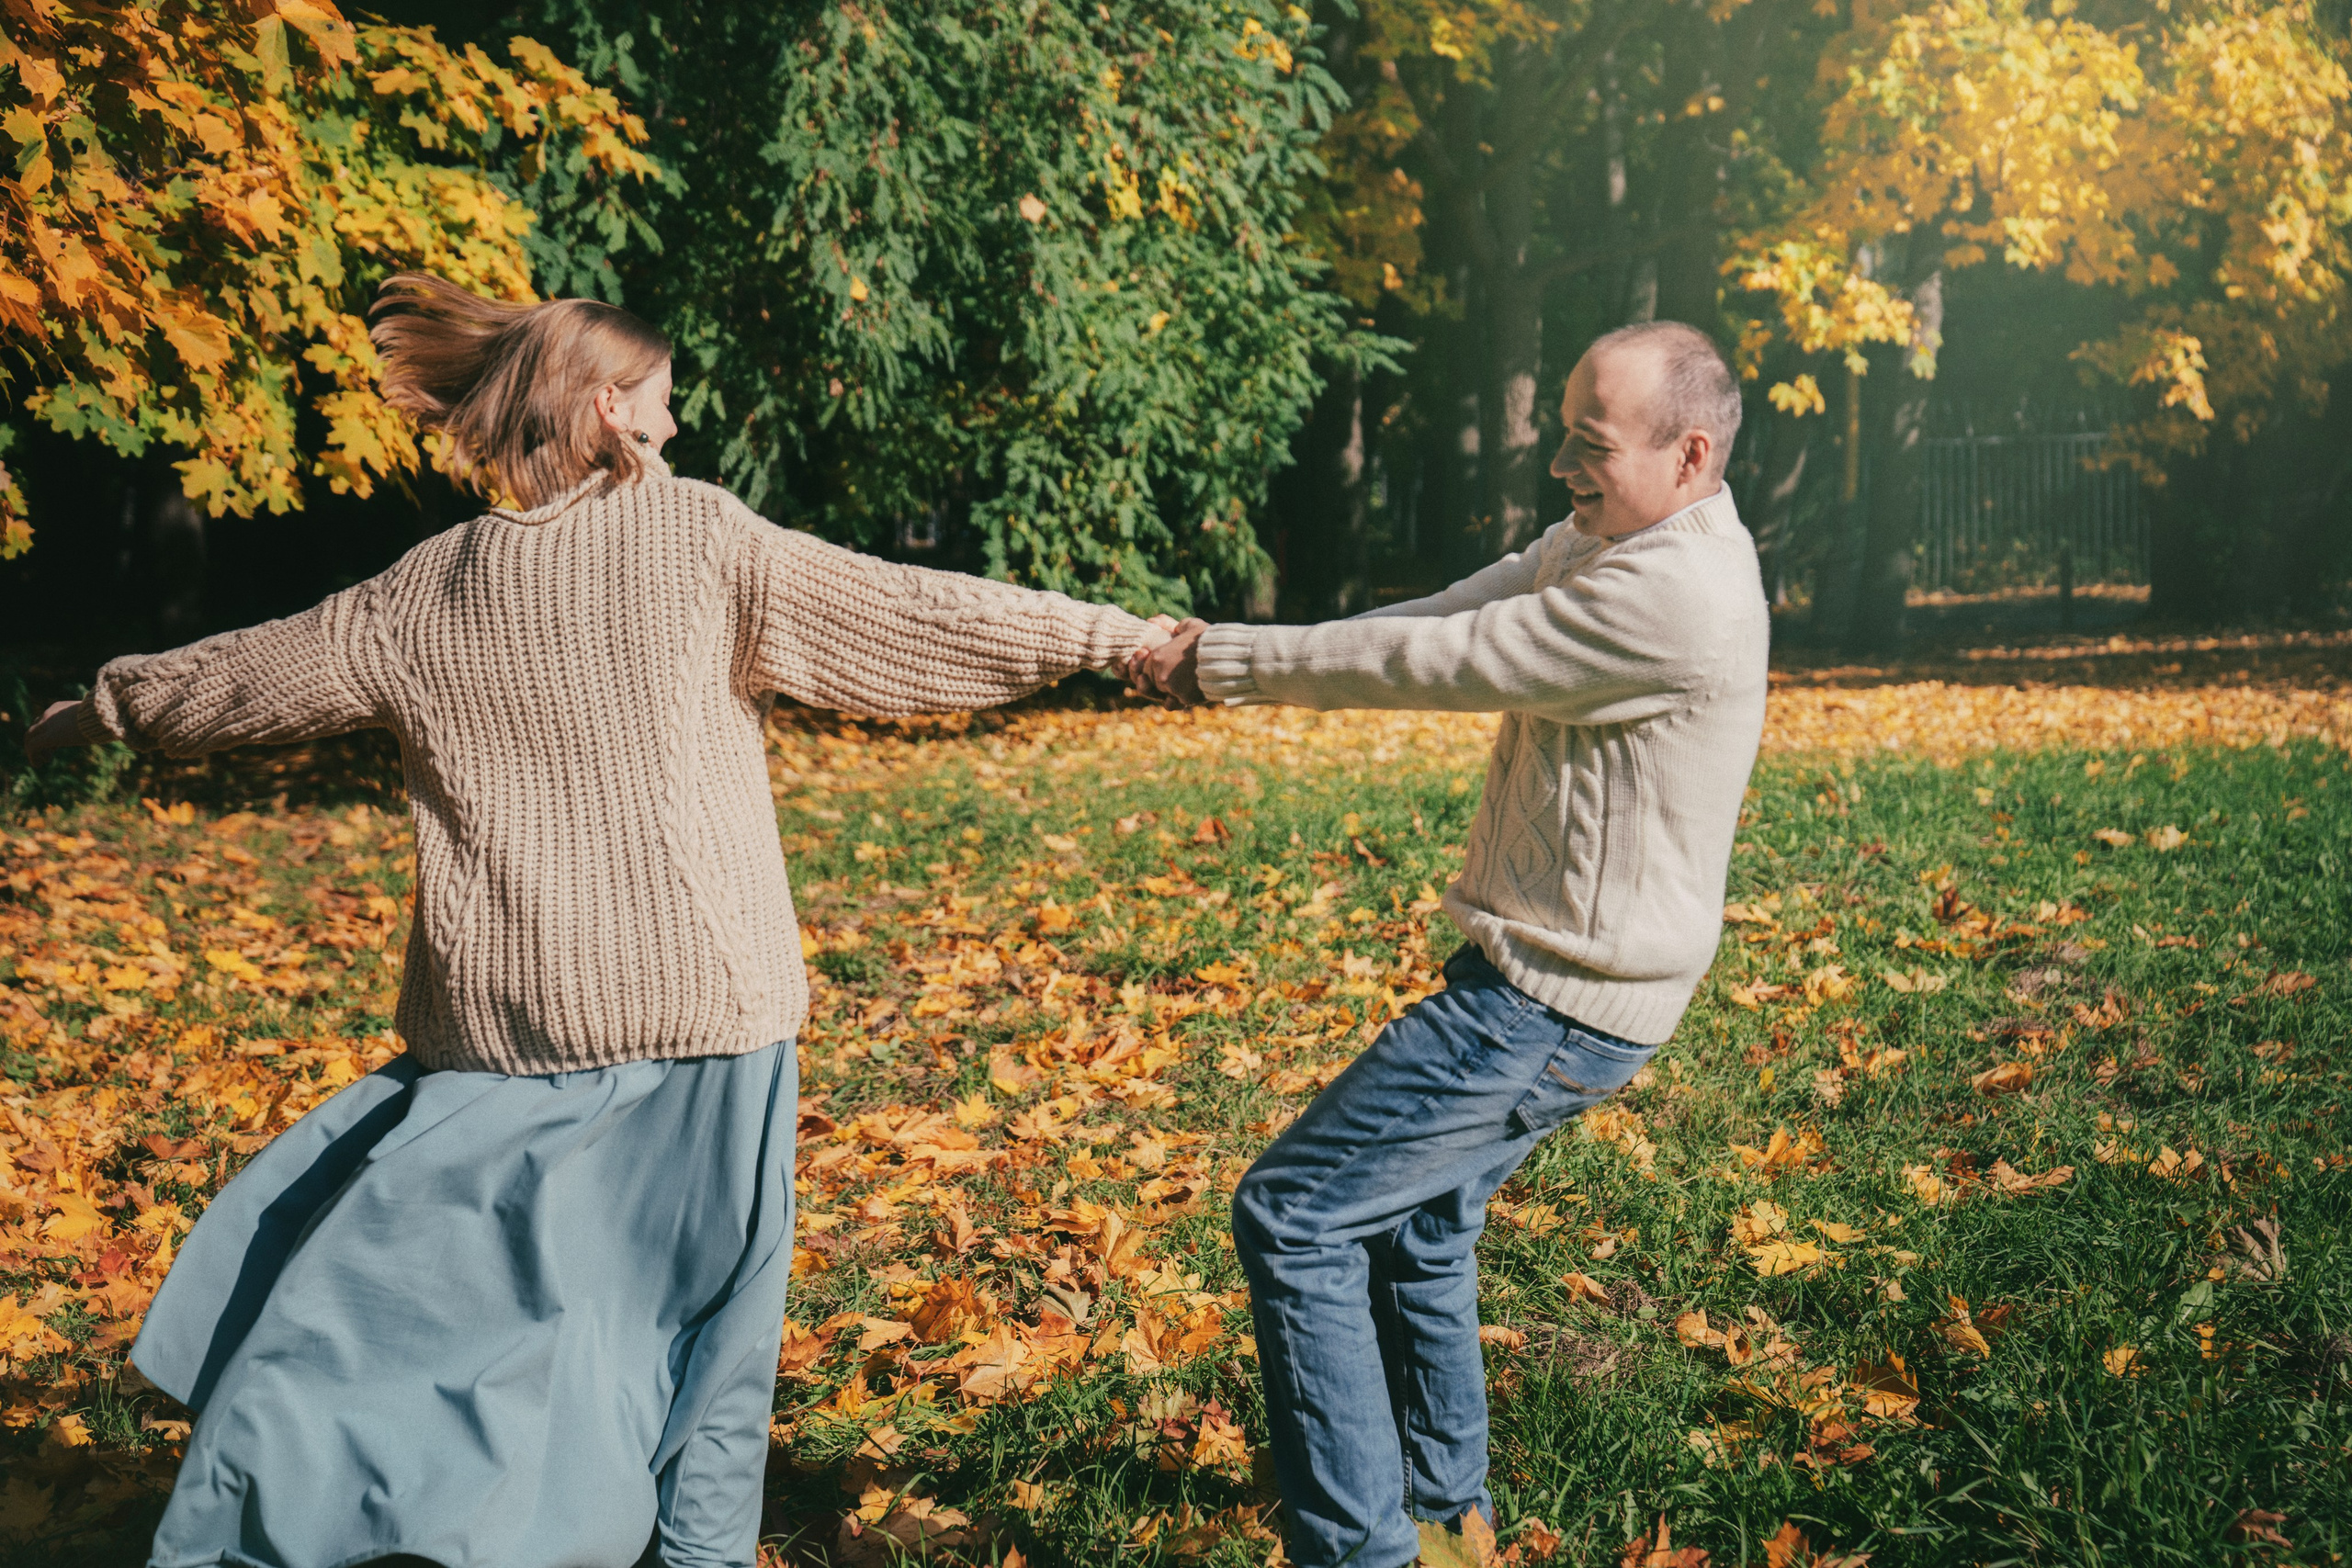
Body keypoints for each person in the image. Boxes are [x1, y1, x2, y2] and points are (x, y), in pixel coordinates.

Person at [22, 274, 1169, 1568]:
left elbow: (240, 678)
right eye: (663, 407)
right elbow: (903, 615)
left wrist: (103, 708)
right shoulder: (697, 540)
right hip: (708, 1025)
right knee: (711, 1345)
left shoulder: (421, 590)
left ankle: (299, 1513)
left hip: (506, 1038)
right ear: (610, 414)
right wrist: (1108, 638)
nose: (674, 434)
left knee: (420, 1322)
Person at [1130, 321, 1770, 1568]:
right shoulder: (1614, 537)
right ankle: (1444, 1521)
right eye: (1565, 434)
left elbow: (1445, 660)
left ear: (1689, 453)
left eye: (1590, 444)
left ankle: (1359, 1551)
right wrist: (1233, 654)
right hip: (1553, 981)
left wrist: (1223, 664)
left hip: (1555, 1005)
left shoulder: (1672, 597)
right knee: (1422, 1228)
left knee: (1297, 1214)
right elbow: (1449, 609)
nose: (1560, 468)